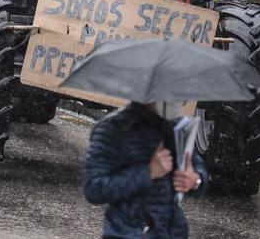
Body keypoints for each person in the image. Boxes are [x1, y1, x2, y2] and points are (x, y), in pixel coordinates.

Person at [83, 102, 208, 238]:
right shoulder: (113, 127)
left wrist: (195, 180)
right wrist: (148, 172)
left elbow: (198, 169)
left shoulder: (176, 127)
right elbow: (94, 188)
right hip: (129, 233)